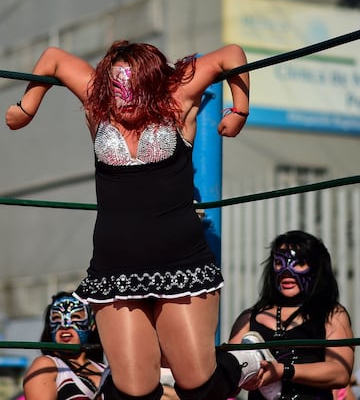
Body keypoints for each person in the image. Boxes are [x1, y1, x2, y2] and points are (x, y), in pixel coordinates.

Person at [5, 40, 268, 400]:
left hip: (181, 265)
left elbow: (231, 54)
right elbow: (52, 58)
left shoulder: (177, 96)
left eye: (133, 87)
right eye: (116, 87)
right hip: (115, 271)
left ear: (153, 82)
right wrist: (27, 106)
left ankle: (247, 360)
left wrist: (240, 110)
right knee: (134, 390)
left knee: (197, 384)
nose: (123, 96)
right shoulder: (98, 103)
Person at [229, 230, 354, 400]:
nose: (287, 272)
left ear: (317, 268)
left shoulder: (332, 315)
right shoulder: (248, 318)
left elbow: (340, 372)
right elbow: (229, 375)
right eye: (280, 263)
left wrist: (283, 370)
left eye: (299, 263)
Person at [23, 291, 106, 399]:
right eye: (57, 318)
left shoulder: (105, 370)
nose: (64, 325)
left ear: (92, 325)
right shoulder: (46, 366)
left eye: (75, 317)